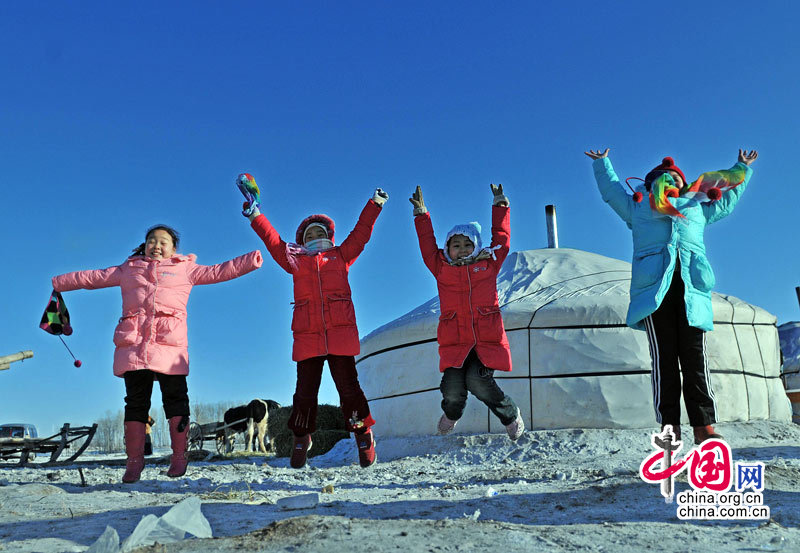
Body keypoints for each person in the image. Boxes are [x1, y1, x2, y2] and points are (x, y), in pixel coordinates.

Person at [51, 225, 263, 483]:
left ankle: (178, 457)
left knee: (175, 400)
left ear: (174, 248)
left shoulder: (186, 269)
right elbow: (93, 277)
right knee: (135, 403)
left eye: (163, 241)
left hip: (169, 346)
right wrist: (60, 282)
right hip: (134, 346)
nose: (156, 245)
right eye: (151, 240)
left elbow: (219, 271)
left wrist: (251, 260)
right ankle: (134, 462)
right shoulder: (128, 268)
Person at [584, 148, 758, 445]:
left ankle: (704, 426)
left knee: (695, 359)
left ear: (684, 182)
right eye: (665, 178)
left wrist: (742, 167)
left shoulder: (696, 204)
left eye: (676, 177)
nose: (671, 180)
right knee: (664, 360)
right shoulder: (640, 207)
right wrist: (603, 164)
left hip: (692, 288)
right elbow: (612, 193)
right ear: (651, 183)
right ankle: (669, 427)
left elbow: (726, 201)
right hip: (655, 290)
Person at [242, 185, 388, 468]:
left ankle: (362, 434)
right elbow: (273, 241)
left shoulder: (341, 256)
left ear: (329, 236)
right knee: (305, 393)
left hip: (340, 335)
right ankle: (301, 437)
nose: (315, 236)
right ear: (301, 240)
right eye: (309, 234)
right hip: (308, 338)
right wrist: (255, 214)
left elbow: (361, 233)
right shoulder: (295, 261)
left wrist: (375, 204)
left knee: (349, 390)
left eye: (319, 232)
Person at [410, 184, 524, 440]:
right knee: (451, 389)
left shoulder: (488, 265)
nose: (461, 249)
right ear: (447, 249)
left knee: (477, 380)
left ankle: (509, 414)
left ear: (476, 246)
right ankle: (452, 414)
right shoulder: (442, 269)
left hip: (486, 337)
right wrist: (421, 215)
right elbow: (427, 247)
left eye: (467, 244)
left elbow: (502, 240)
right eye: (455, 245)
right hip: (455, 340)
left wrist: (500, 206)